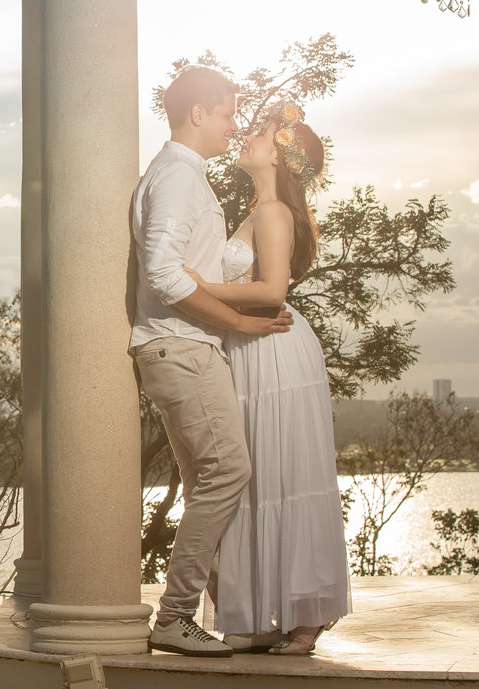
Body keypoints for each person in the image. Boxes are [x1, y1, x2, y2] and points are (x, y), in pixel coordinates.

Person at [130, 66, 293, 658]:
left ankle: (233, 618)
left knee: (209, 483)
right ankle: (175, 616)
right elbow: (163, 273)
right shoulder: (177, 176)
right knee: (228, 474)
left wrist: (250, 234)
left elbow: (199, 269)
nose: (232, 125)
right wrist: (239, 322)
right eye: (227, 113)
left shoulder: (186, 176)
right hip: (182, 346)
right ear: (198, 113)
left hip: (185, 346)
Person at [189, 100, 351, 656]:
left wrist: (192, 285)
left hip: (273, 349)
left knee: (283, 476)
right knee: (258, 479)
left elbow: (271, 291)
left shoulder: (274, 211)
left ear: (280, 156)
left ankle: (304, 618)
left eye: (261, 132)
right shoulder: (261, 209)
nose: (249, 135)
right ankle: (268, 612)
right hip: (253, 346)